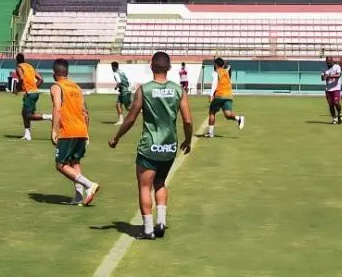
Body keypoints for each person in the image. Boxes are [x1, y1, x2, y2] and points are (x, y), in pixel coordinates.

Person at [109, 51, 193, 240]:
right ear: (169, 68)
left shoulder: (144, 90)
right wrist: (188, 140)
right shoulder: (179, 90)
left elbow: (131, 118)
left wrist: (117, 137)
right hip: (169, 146)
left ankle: (148, 229)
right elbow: (187, 121)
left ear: (151, 67)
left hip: (150, 146)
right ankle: (161, 222)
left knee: (145, 187)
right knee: (160, 183)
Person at [49, 58, 100, 206]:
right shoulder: (76, 87)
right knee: (74, 161)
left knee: (60, 165)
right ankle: (78, 196)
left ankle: (89, 185)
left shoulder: (57, 87)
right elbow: (85, 111)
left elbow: (57, 107)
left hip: (68, 131)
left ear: (54, 73)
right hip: (81, 130)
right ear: (67, 72)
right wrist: (87, 131)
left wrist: (54, 130)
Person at [206, 57, 244, 137]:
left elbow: (214, 83)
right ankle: (239, 118)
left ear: (216, 65)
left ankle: (210, 133)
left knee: (212, 112)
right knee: (228, 114)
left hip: (220, 95)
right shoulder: (226, 72)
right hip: (229, 95)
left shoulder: (216, 72)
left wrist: (211, 95)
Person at [16, 53, 51, 140]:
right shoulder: (29, 66)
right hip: (34, 92)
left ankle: (49, 117)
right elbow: (41, 79)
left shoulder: (19, 67)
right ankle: (27, 134)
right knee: (25, 113)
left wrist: (18, 88)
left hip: (30, 93)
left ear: (16, 60)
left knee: (27, 115)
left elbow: (21, 78)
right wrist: (34, 87)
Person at [322, 56, 342, 124]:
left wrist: (328, 76)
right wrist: (324, 77)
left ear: (332, 61)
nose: (328, 64)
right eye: (327, 62)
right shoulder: (324, 68)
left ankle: (339, 113)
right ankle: (334, 118)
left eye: (329, 62)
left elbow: (338, 75)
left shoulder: (337, 67)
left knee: (336, 102)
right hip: (328, 89)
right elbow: (322, 78)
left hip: (336, 88)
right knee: (330, 104)